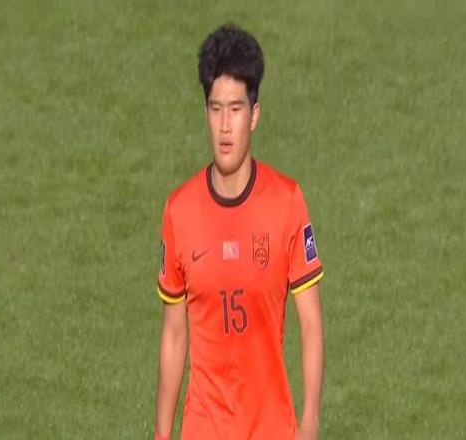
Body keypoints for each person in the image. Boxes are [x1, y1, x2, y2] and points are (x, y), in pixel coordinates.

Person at [154, 23, 324, 440]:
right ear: (205, 114)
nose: (225, 126)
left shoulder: (287, 202)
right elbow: (174, 335)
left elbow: (311, 324)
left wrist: (309, 423)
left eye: (235, 109)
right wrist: (161, 434)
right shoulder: (179, 211)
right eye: (216, 109)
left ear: (255, 116)